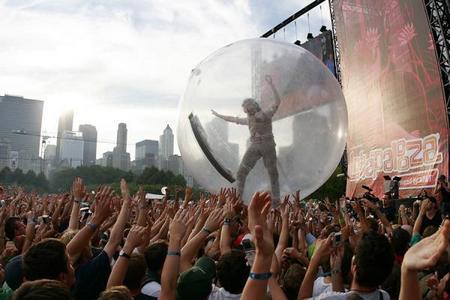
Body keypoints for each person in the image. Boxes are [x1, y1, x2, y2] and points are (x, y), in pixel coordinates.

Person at [211, 75, 281, 207]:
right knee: (241, 172)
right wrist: (218, 115)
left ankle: (276, 202)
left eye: (248, 108)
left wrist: (272, 86)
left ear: (254, 106)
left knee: (273, 173)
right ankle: (238, 199)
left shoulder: (265, 114)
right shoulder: (249, 119)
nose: (247, 111)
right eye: (245, 109)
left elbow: (277, 103)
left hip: (267, 145)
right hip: (255, 146)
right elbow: (232, 119)